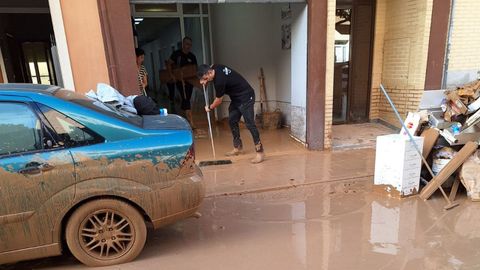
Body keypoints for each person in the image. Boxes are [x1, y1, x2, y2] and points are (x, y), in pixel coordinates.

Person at [197, 64, 265, 164]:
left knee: (250, 124)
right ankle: (237, 147)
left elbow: (218, 100)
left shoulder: (219, 81)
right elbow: (210, 67)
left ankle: (260, 152)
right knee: (232, 120)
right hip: (237, 99)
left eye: (205, 78)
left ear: (209, 72)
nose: (205, 80)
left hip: (246, 97)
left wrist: (210, 107)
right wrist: (205, 80)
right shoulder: (215, 66)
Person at [166, 37, 197, 126]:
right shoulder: (177, 54)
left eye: (190, 45)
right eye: (187, 44)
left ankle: (183, 117)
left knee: (186, 98)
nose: (188, 46)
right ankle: (191, 122)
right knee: (186, 98)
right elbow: (169, 63)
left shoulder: (192, 56)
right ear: (183, 44)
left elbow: (195, 68)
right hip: (180, 81)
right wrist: (172, 75)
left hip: (190, 81)